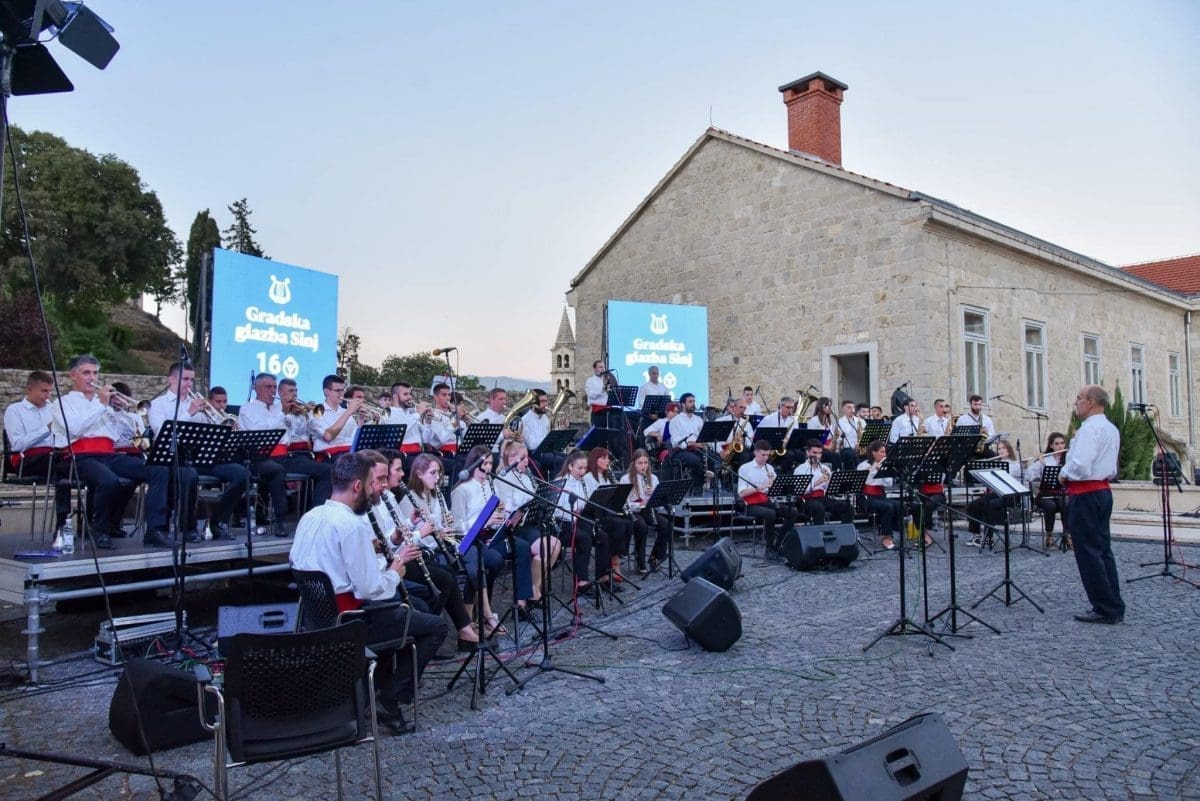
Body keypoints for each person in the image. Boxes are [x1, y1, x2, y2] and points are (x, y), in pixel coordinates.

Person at [289, 450, 448, 734]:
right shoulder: (351, 525)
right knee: (435, 626)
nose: (378, 489)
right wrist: (395, 571)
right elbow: (371, 589)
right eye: (373, 483)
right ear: (357, 486)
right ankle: (389, 699)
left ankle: (374, 690)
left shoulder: (310, 517)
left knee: (415, 610)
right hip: (352, 621)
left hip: (316, 619)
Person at [49, 354, 172, 549]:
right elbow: (76, 429)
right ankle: (100, 531)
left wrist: (121, 412)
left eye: (95, 373)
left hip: (108, 454)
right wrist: (102, 405)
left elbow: (121, 435)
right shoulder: (63, 403)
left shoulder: (104, 405)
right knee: (108, 480)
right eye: (86, 373)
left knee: (159, 470)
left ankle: (155, 531)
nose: (92, 378)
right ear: (73, 375)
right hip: (78, 456)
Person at [371, 448, 479, 648]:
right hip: (392, 562)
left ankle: (458, 628)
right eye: (397, 470)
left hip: (401, 555)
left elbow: (398, 531)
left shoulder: (389, 497)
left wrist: (411, 523)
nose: (401, 474)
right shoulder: (377, 502)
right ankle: (437, 631)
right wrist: (421, 533)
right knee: (444, 578)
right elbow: (385, 542)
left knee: (450, 573)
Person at [148, 363, 249, 542]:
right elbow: (161, 431)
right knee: (189, 476)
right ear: (171, 380)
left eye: (191, 380)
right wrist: (189, 412)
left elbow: (209, 432)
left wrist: (224, 426)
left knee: (242, 474)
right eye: (185, 379)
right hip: (171, 458)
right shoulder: (157, 405)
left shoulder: (197, 404)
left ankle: (217, 521)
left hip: (200, 456)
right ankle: (188, 528)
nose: (189, 384)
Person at [450, 444, 531, 635]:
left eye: (490, 464)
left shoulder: (488, 484)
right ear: (474, 464)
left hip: (488, 537)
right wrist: (484, 522)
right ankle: (482, 614)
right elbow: (457, 526)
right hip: (468, 540)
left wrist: (503, 516)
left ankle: (479, 612)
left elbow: (493, 515)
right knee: (489, 561)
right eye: (484, 464)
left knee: (498, 559)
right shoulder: (462, 490)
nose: (488, 468)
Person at [1061, 385, 1124, 624]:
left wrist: (1064, 473)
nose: (1076, 403)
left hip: (1086, 493)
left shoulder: (1089, 429)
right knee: (1103, 549)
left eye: (1079, 398)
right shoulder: (1110, 428)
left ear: (1090, 402)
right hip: (1102, 492)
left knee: (1088, 552)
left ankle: (1104, 606)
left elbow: (1081, 465)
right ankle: (1113, 603)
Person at [496, 441, 561, 608]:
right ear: (511, 459)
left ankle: (535, 586)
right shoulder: (503, 479)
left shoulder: (525, 477)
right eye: (523, 458)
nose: (528, 461)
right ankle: (532, 590)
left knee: (555, 545)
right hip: (515, 528)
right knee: (547, 546)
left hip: (530, 524)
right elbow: (507, 509)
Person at [4, 370, 70, 529]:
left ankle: (73, 522)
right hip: (25, 460)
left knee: (76, 462)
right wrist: (47, 429)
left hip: (53, 456)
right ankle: (63, 524)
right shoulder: (15, 410)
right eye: (44, 391)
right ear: (30, 390)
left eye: (50, 391)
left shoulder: (53, 410)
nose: (48, 396)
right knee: (62, 466)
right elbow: (18, 444)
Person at [236, 373, 292, 538]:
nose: (273, 391)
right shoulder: (247, 409)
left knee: (318, 469)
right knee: (277, 470)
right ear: (256, 388)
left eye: (274, 387)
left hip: (281, 453)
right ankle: (281, 520)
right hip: (256, 455)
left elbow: (287, 436)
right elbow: (259, 431)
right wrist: (282, 414)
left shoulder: (278, 408)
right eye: (268, 387)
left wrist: (289, 416)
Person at [583, 447, 634, 585]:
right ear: (595, 460)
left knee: (629, 522)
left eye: (608, 458)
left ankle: (617, 557)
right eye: (604, 458)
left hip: (605, 513)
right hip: (595, 516)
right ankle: (614, 563)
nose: (608, 461)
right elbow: (591, 500)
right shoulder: (588, 477)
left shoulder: (605, 477)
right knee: (619, 525)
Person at [737, 440, 797, 555]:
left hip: (765, 500)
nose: (765, 458)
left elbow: (775, 488)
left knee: (792, 512)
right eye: (763, 455)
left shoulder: (769, 468)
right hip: (749, 504)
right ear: (755, 453)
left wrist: (776, 484)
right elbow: (742, 493)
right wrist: (760, 486)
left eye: (767, 455)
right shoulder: (745, 468)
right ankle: (769, 547)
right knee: (770, 513)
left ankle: (780, 543)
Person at [553, 449, 600, 593]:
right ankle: (581, 581)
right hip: (563, 525)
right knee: (584, 538)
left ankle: (603, 577)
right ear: (570, 466)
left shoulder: (582, 482)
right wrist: (575, 513)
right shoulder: (560, 483)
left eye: (585, 468)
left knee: (602, 535)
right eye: (580, 468)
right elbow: (556, 511)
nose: (583, 471)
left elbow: (584, 504)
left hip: (578, 522)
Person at [620, 449, 673, 574]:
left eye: (645, 463)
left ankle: (655, 557)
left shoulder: (653, 478)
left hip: (648, 510)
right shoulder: (625, 479)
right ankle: (640, 563)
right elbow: (624, 503)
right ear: (634, 463)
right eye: (640, 463)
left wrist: (653, 496)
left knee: (666, 525)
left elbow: (659, 504)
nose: (643, 466)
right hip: (633, 512)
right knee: (641, 526)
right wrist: (639, 504)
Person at [965, 439, 1021, 547]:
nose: (1001, 451)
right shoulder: (995, 463)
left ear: (1009, 449)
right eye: (999, 449)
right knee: (973, 505)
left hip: (1011, 495)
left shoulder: (1015, 464)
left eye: (1003, 448)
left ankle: (988, 537)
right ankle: (976, 535)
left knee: (989, 505)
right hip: (997, 493)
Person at [793, 440, 853, 525]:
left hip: (822, 498)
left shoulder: (825, 468)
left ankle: (843, 531)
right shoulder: (800, 469)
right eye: (814, 453)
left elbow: (829, 490)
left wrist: (830, 481)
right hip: (806, 500)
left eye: (819, 453)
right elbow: (799, 491)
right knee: (819, 507)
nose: (817, 456)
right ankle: (819, 532)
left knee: (848, 507)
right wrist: (817, 482)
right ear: (807, 452)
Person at [1028, 432, 1070, 550]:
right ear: (1051, 446)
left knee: (1066, 503)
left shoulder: (1069, 459)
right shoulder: (1046, 459)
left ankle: (1067, 535)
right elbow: (1029, 476)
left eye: (1062, 443)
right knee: (1050, 506)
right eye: (1057, 444)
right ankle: (1049, 537)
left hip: (1061, 494)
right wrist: (1040, 463)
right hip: (1044, 495)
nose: (1060, 446)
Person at [859, 440, 902, 550]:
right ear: (873, 453)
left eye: (885, 452)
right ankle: (885, 537)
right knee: (888, 507)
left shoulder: (884, 466)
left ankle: (896, 531)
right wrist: (874, 469)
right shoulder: (863, 465)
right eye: (881, 452)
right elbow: (862, 481)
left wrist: (883, 471)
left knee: (898, 504)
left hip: (880, 495)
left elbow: (888, 483)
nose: (884, 454)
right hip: (867, 497)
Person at [309, 374, 360, 460]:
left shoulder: (345, 411)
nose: (341, 394)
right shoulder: (316, 411)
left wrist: (362, 419)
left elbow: (355, 436)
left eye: (343, 390)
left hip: (349, 451)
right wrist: (348, 412)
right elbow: (328, 436)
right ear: (326, 391)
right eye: (337, 391)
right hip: (329, 455)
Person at [666, 393, 709, 491]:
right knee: (695, 460)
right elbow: (676, 442)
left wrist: (704, 443)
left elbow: (703, 437)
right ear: (683, 404)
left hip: (697, 448)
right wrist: (691, 443)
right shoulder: (675, 421)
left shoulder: (699, 420)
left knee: (714, 458)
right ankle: (697, 486)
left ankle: (709, 485)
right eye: (690, 401)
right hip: (680, 451)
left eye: (694, 401)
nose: (693, 404)